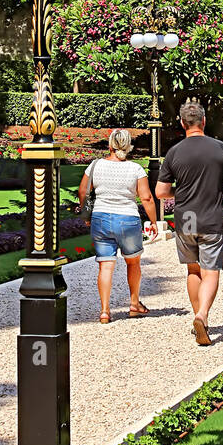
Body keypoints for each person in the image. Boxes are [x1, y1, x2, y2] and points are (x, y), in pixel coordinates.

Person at [155, 102, 223, 346]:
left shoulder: (174, 152)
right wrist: (218, 188)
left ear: (183, 124)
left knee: (193, 270)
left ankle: (199, 320)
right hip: (211, 217)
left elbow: (161, 192)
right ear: (203, 121)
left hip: (187, 219)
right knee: (211, 270)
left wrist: (181, 191)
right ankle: (202, 315)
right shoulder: (220, 148)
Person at [79, 128, 158, 325]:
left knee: (105, 265)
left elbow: (83, 191)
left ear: (110, 145)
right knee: (133, 263)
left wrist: (86, 214)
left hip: (101, 217)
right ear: (128, 146)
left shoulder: (95, 166)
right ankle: (133, 303)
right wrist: (154, 221)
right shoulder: (135, 169)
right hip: (128, 220)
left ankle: (105, 311)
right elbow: (146, 197)